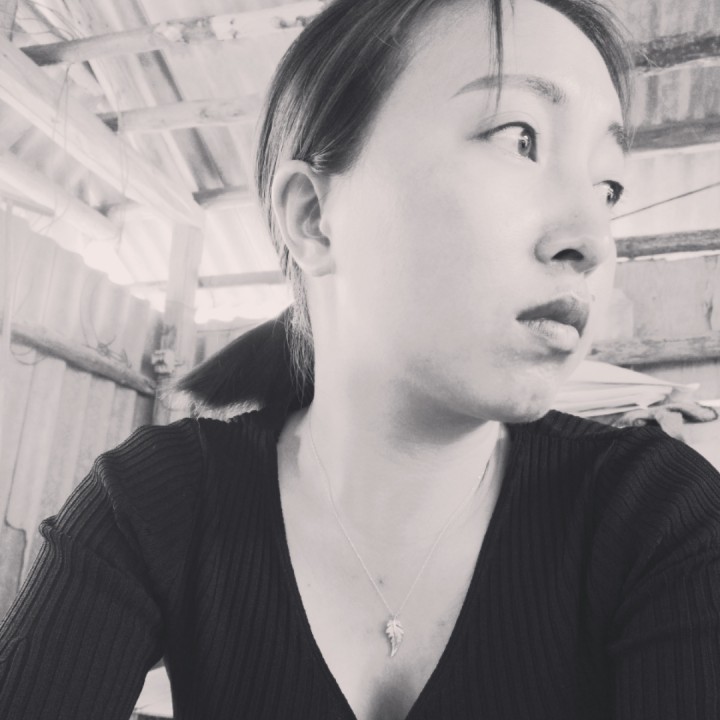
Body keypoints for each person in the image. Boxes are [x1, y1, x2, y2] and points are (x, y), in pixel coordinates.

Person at [1, 0, 719, 718]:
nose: (592, 240)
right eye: (519, 137)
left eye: (608, 187)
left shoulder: (660, 516)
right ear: (314, 218)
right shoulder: (155, 499)